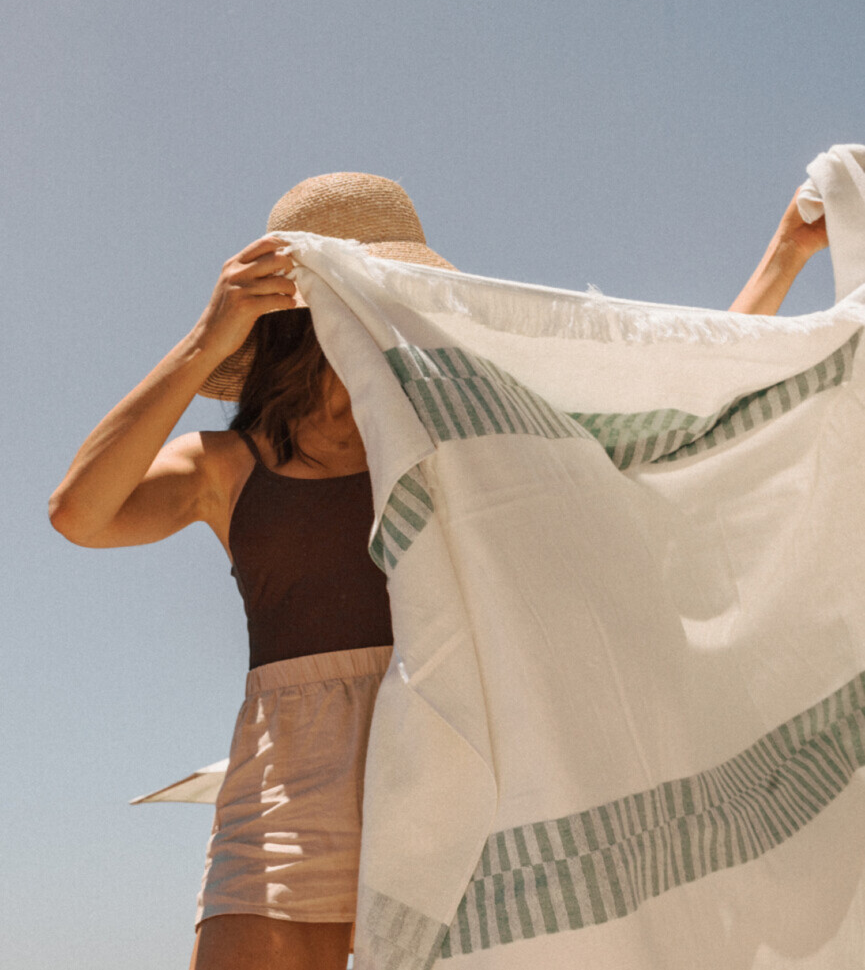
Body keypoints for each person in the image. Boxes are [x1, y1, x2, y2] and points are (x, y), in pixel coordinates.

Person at [49, 171, 827, 970]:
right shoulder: (230, 465)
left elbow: (667, 429)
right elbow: (80, 513)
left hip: (461, 774)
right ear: (288, 304)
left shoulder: (458, 438)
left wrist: (781, 258)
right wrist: (205, 339)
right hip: (286, 795)